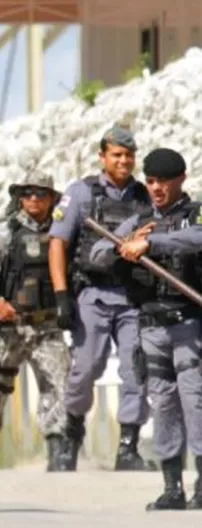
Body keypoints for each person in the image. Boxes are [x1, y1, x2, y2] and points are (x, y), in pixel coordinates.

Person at [90, 148, 202, 510]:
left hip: (189, 324)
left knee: (195, 402)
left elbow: (197, 238)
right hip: (151, 326)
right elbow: (97, 254)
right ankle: (172, 488)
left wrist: (152, 243)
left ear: (181, 179)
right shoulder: (139, 218)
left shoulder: (194, 213)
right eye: (151, 181)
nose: (156, 188)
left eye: (163, 181)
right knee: (164, 404)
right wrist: (124, 247)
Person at [47, 126, 154, 471]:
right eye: (116, 155)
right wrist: (62, 295)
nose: (123, 161)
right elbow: (58, 244)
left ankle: (128, 446)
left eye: (128, 155)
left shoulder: (144, 196)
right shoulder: (81, 193)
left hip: (132, 297)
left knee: (136, 368)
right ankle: (72, 431)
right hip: (91, 295)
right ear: (102, 157)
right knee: (86, 367)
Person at [0, 171, 69, 472]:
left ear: (52, 198)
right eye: (27, 193)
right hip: (11, 328)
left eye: (41, 193)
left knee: (58, 388)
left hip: (47, 327)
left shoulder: (61, 231)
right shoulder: (4, 233)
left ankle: (57, 454)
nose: (34, 199)